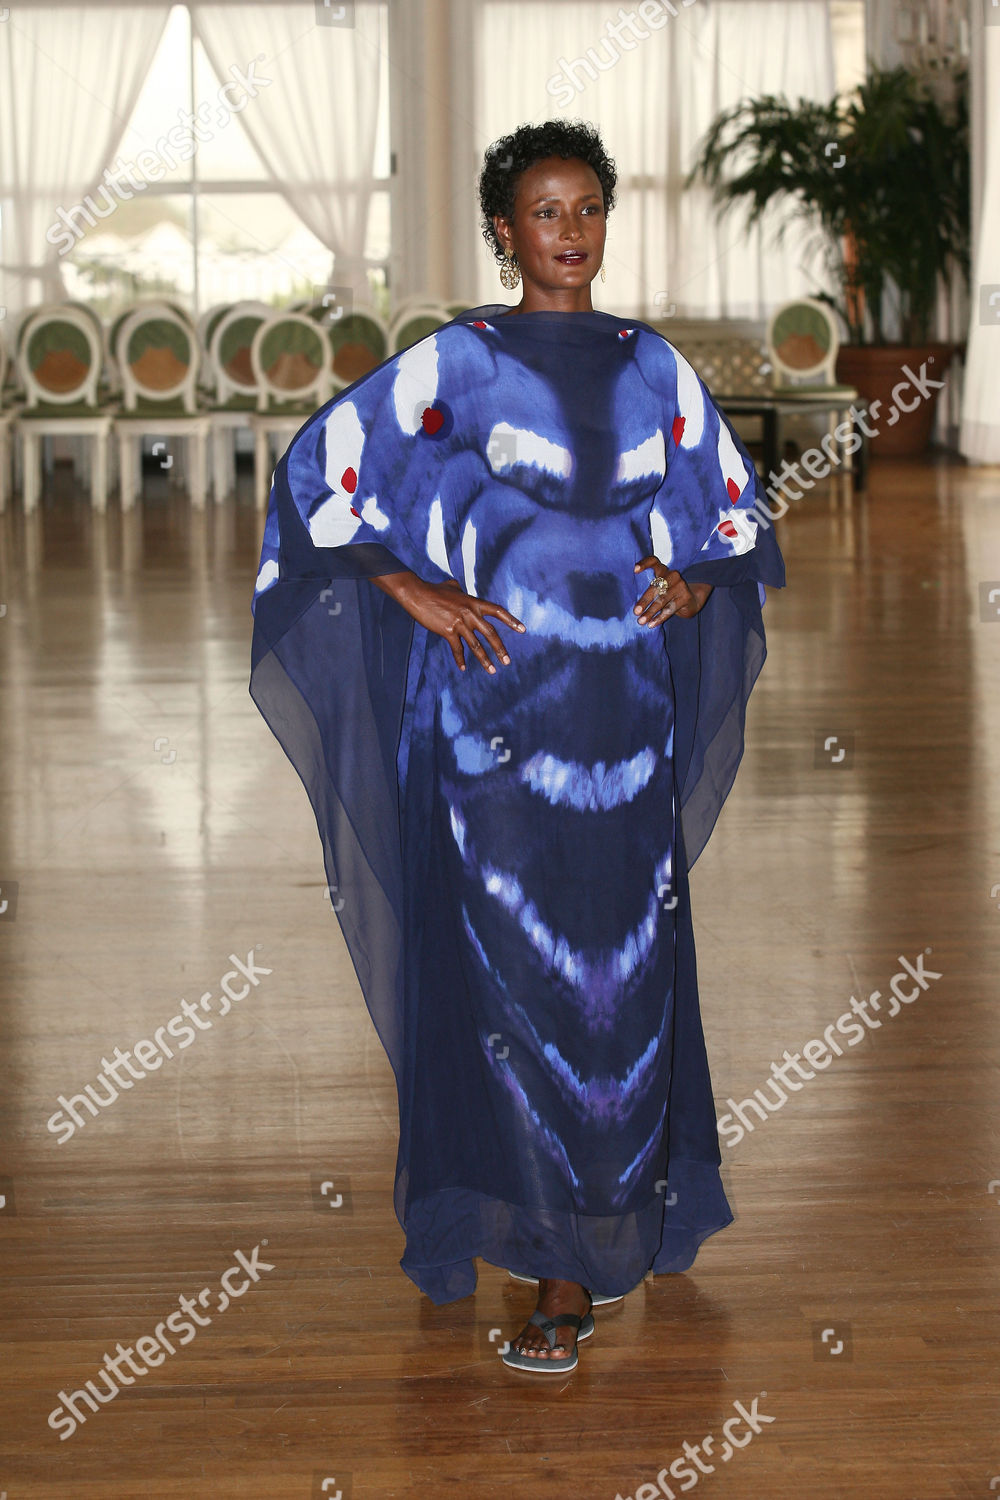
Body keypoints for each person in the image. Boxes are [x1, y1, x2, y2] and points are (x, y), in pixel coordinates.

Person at [249, 118, 784, 1374]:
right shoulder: (456, 366)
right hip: (491, 735)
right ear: (504, 231)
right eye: (546, 212)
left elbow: (729, 518)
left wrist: (693, 584)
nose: (572, 232)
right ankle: (538, 1253)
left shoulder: (655, 369)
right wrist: (412, 590)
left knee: (619, 990)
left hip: (626, 732)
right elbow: (316, 478)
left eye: (589, 208)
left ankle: (583, 1244)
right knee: (507, 989)